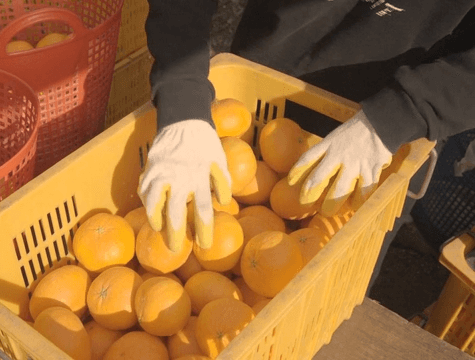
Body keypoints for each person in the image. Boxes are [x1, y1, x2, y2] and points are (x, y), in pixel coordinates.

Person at [137, 0, 475, 289]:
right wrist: (181, 92)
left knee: (328, 284)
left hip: (392, 140)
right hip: (262, 97)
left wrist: (402, 114)